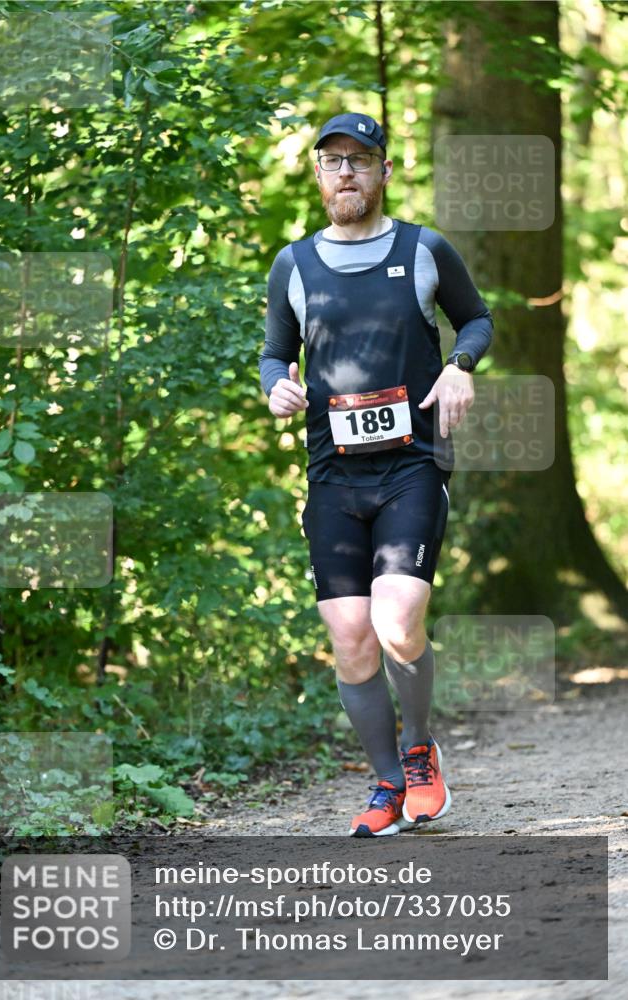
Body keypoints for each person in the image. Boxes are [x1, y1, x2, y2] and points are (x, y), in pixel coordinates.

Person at [259, 112, 493, 837]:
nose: (346, 172)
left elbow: (476, 319)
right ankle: (386, 784)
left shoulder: (423, 250)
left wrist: (459, 368)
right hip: (332, 479)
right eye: (332, 161)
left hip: (410, 469)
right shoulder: (293, 265)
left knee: (396, 621)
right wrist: (276, 386)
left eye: (360, 160)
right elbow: (275, 352)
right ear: (319, 174)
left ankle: (419, 752)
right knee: (352, 636)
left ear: (384, 171)